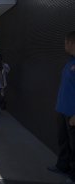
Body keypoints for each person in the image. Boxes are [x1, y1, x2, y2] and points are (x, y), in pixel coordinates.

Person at [48, 31, 75, 182]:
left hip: (72, 114)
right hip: (62, 110)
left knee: (74, 146)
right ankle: (62, 166)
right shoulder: (69, 62)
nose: (64, 45)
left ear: (71, 43)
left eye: (66, 42)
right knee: (63, 141)